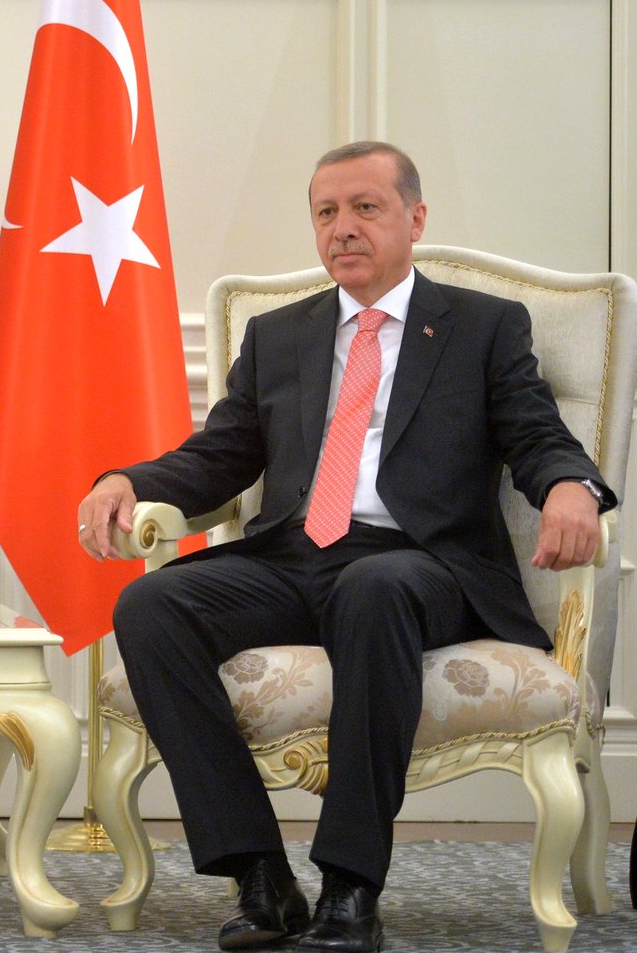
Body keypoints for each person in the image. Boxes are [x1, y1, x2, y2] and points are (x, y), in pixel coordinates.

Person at [76, 142, 612, 953]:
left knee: (375, 587)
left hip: (418, 562)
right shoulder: (279, 334)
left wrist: (573, 485)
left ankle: (351, 886)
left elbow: (535, 432)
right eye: (326, 212)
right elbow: (220, 454)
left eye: (366, 207)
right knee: (152, 602)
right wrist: (126, 477)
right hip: (292, 556)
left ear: (414, 218)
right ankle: (258, 874)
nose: (343, 228)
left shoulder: (482, 327)